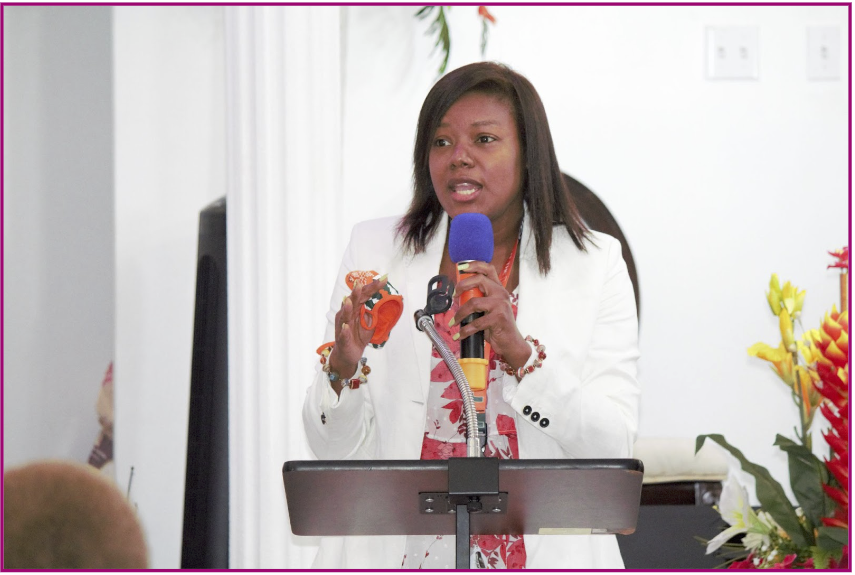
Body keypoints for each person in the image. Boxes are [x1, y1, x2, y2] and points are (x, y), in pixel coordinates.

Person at [302, 61, 640, 569]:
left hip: (546, 555)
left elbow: (614, 446)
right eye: (441, 142)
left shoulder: (594, 264)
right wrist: (341, 371)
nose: (458, 157)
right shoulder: (375, 251)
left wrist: (523, 357)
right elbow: (331, 447)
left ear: (528, 154)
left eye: (484, 139)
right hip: (400, 556)